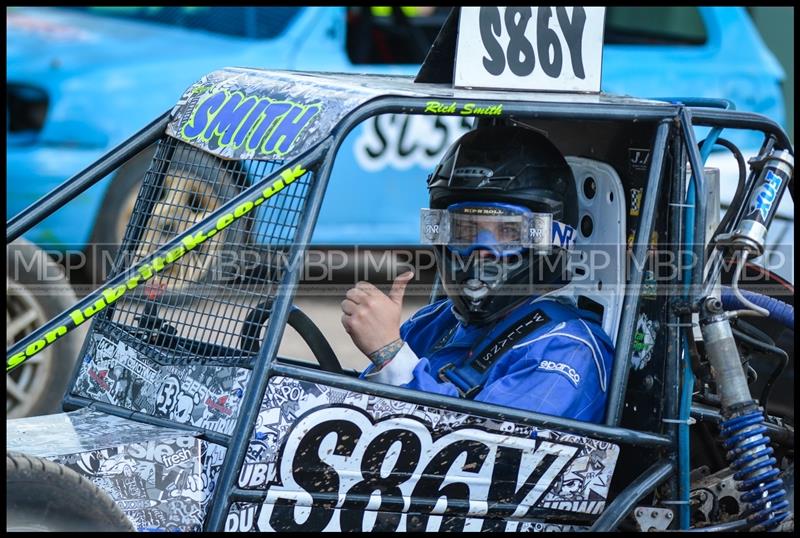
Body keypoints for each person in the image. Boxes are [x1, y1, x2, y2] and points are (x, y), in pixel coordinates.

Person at [341, 125, 614, 423]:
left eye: (507, 232)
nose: (480, 251)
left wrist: (390, 354)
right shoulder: (435, 320)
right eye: (465, 231)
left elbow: (485, 451)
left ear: (549, 238)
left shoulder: (567, 349)